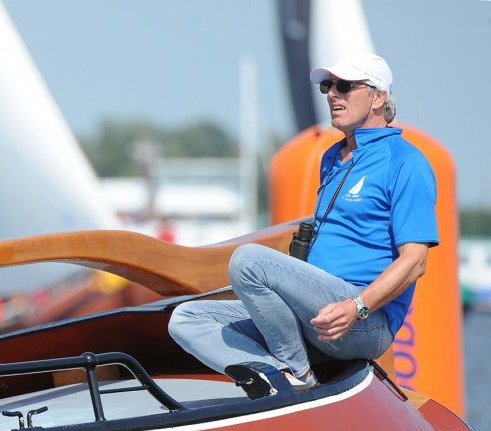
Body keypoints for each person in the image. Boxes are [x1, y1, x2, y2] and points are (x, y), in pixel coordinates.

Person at [168, 53, 438, 388]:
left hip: (364, 321)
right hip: (315, 313)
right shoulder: (332, 158)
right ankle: (283, 377)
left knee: (248, 260)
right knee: (186, 318)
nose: (332, 94)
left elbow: (415, 261)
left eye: (344, 85)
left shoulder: (406, 162)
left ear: (379, 96)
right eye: (328, 86)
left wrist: (356, 307)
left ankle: (296, 372)